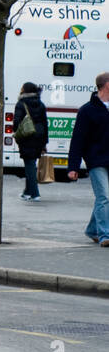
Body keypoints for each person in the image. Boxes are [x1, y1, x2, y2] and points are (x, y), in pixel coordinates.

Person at [67, 71, 109, 247]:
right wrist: (73, 166)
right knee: (104, 196)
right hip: (96, 160)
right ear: (106, 85)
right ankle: (105, 235)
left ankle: (92, 229)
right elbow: (78, 139)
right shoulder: (87, 110)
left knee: (104, 197)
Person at [14, 82, 49, 202]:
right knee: (31, 163)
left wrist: (17, 134)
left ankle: (35, 193)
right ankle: (27, 192)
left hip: (27, 136)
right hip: (39, 137)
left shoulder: (21, 104)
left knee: (29, 165)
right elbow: (45, 123)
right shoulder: (41, 104)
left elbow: (16, 122)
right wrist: (45, 142)